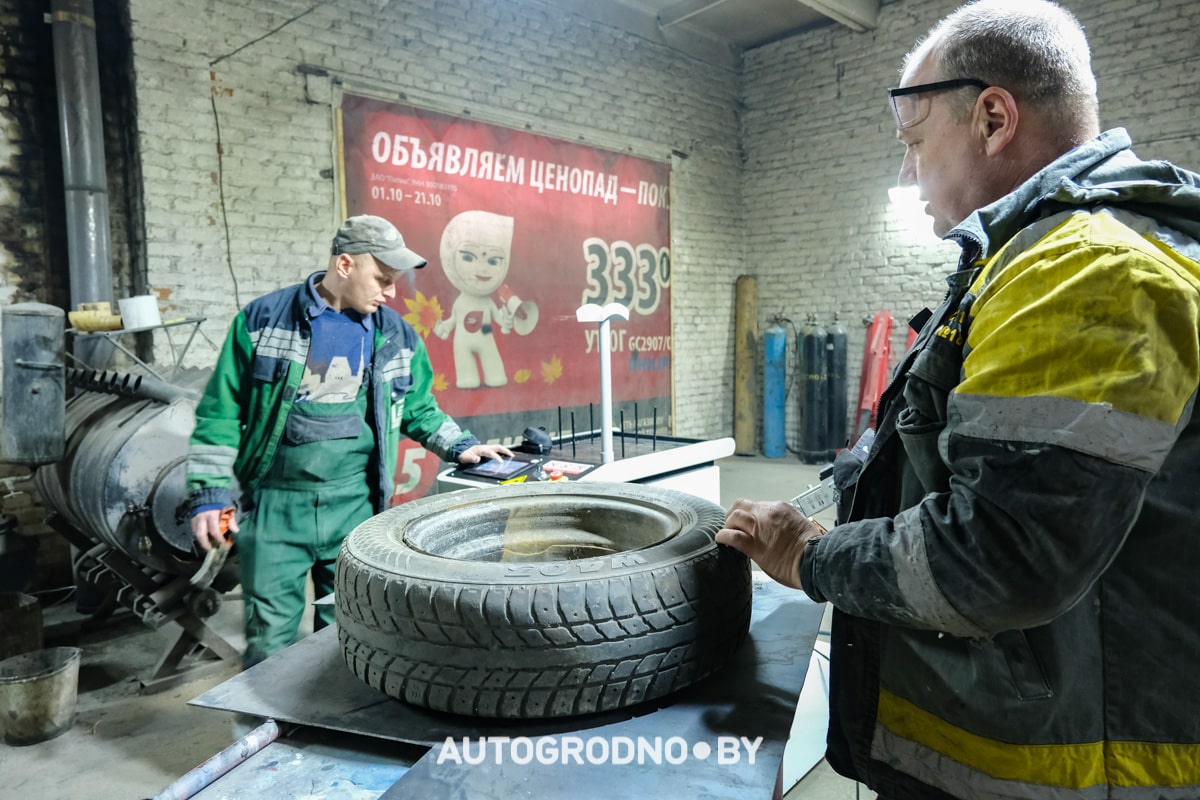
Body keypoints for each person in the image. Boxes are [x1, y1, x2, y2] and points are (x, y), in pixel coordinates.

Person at [718, 2, 1200, 798]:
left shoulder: (1086, 269)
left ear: (993, 117)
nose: (907, 175)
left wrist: (807, 555)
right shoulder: (1041, 258)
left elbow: (999, 558)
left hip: (1064, 763)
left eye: (913, 143)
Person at [186, 214, 512, 668]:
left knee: (352, 628)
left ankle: (336, 729)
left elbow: (418, 409)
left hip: (354, 506)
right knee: (269, 640)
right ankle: (264, 735)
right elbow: (219, 413)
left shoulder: (396, 336)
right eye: (382, 279)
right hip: (276, 507)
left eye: (394, 282)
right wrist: (208, 494)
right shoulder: (262, 323)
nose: (390, 293)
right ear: (344, 265)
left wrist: (460, 446)